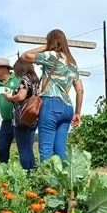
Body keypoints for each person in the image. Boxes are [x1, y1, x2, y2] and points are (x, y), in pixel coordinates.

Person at [20, 29, 84, 163]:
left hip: (51, 104)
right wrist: (78, 113)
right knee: (60, 150)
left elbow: (25, 56)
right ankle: (62, 181)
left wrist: (47, 46)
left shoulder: (51, 56)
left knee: (46, 149)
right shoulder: (72, 63)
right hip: (68, 108)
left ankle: (48, 183)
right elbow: (80, 89)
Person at [2, 59, 40, 171]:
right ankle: (33, 171)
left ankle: (27, 173)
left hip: (21, 118)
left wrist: (9, 97)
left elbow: (20, 96)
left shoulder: (24, 79)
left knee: (23, 149)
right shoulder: (35, 80)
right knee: (29, 148)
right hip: (32, 118)